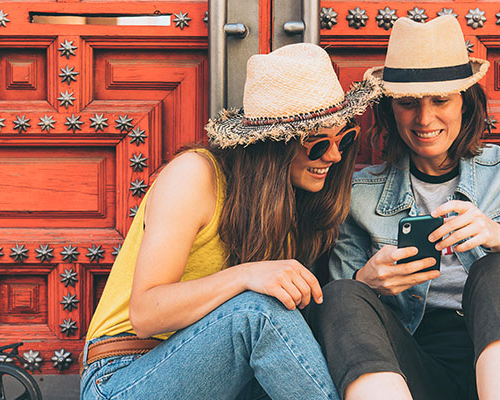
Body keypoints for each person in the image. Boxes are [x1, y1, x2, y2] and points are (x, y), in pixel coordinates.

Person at [309, 16, 500, 400]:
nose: (424, 118)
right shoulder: (359, 193)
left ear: (466, 102)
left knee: (497, 268)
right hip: (418, 370)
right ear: (389, 109)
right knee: (343, 294)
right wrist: (366, 281)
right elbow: (341, 317)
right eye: (408, 103)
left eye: (441, 100)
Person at [81, 43, 381, 400]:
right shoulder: (196, 175)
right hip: (124, 374)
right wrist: (245, 275)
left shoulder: (291, 204)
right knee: (259, 312)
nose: (333, 156)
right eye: (317, 144)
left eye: (344, 139)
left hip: (224, 381)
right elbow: (146, 312)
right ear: (273, 145)